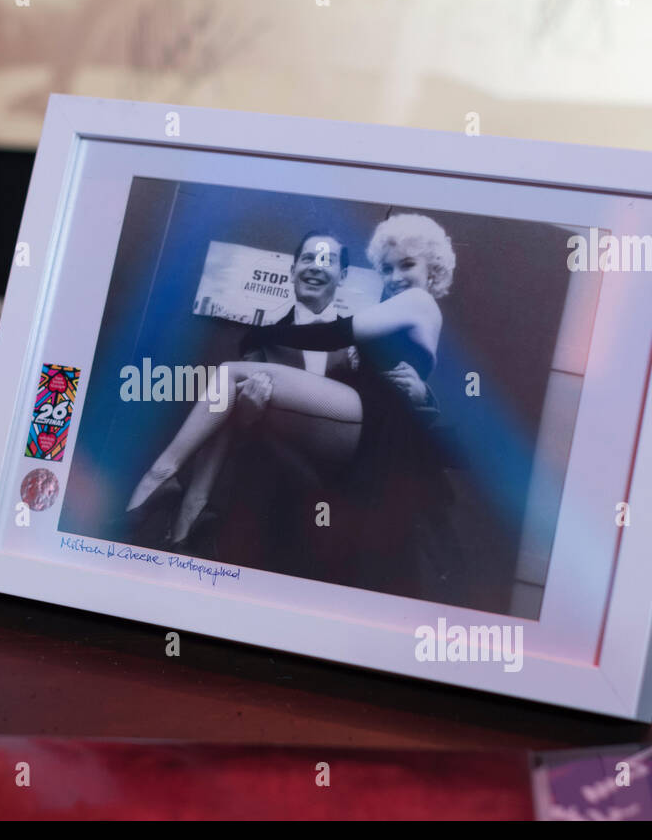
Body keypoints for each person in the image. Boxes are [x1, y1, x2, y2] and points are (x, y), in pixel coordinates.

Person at [127, 214, 457, 594]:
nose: (396, 276)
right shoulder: (387, 319)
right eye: (387, 268)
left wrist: (421, 394)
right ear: (293, 267)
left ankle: (166, 484)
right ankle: (186, 518)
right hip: (284, 481)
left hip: (350, 469)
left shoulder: (408, 306)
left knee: (230, 375)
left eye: (407, 265)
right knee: (232, 389)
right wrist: (251, 409)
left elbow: (342, 338)